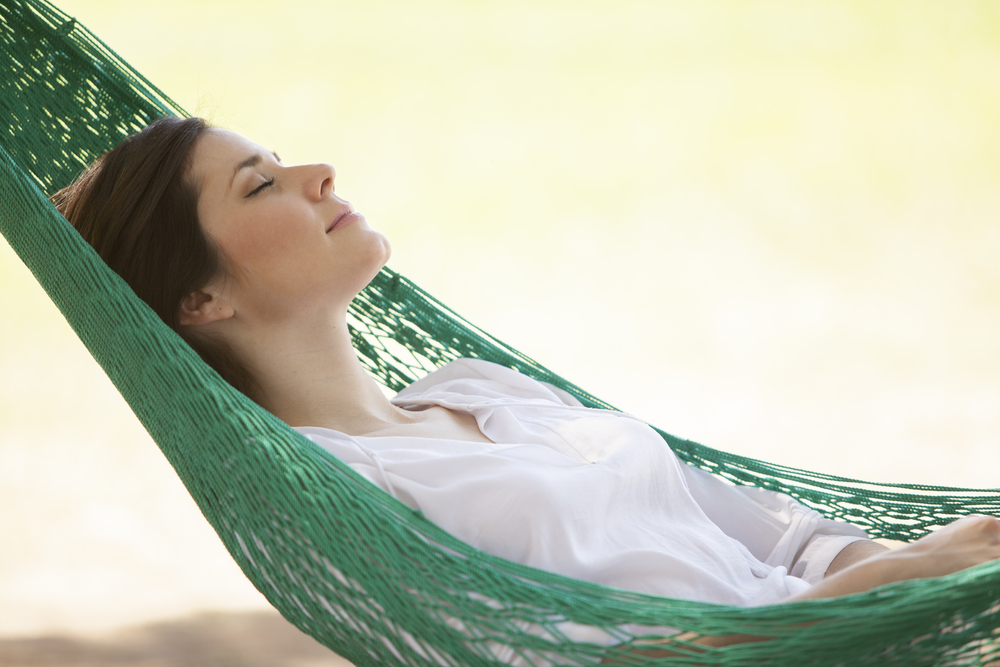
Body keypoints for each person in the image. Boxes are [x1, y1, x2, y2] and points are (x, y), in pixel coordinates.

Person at [52, 116, 1000, 657]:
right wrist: (882, 591)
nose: (316, 172)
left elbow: (766, 528)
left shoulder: (476, 387)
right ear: (197, 295)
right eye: (261, 187)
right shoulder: (332, 496)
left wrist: (890, 569)